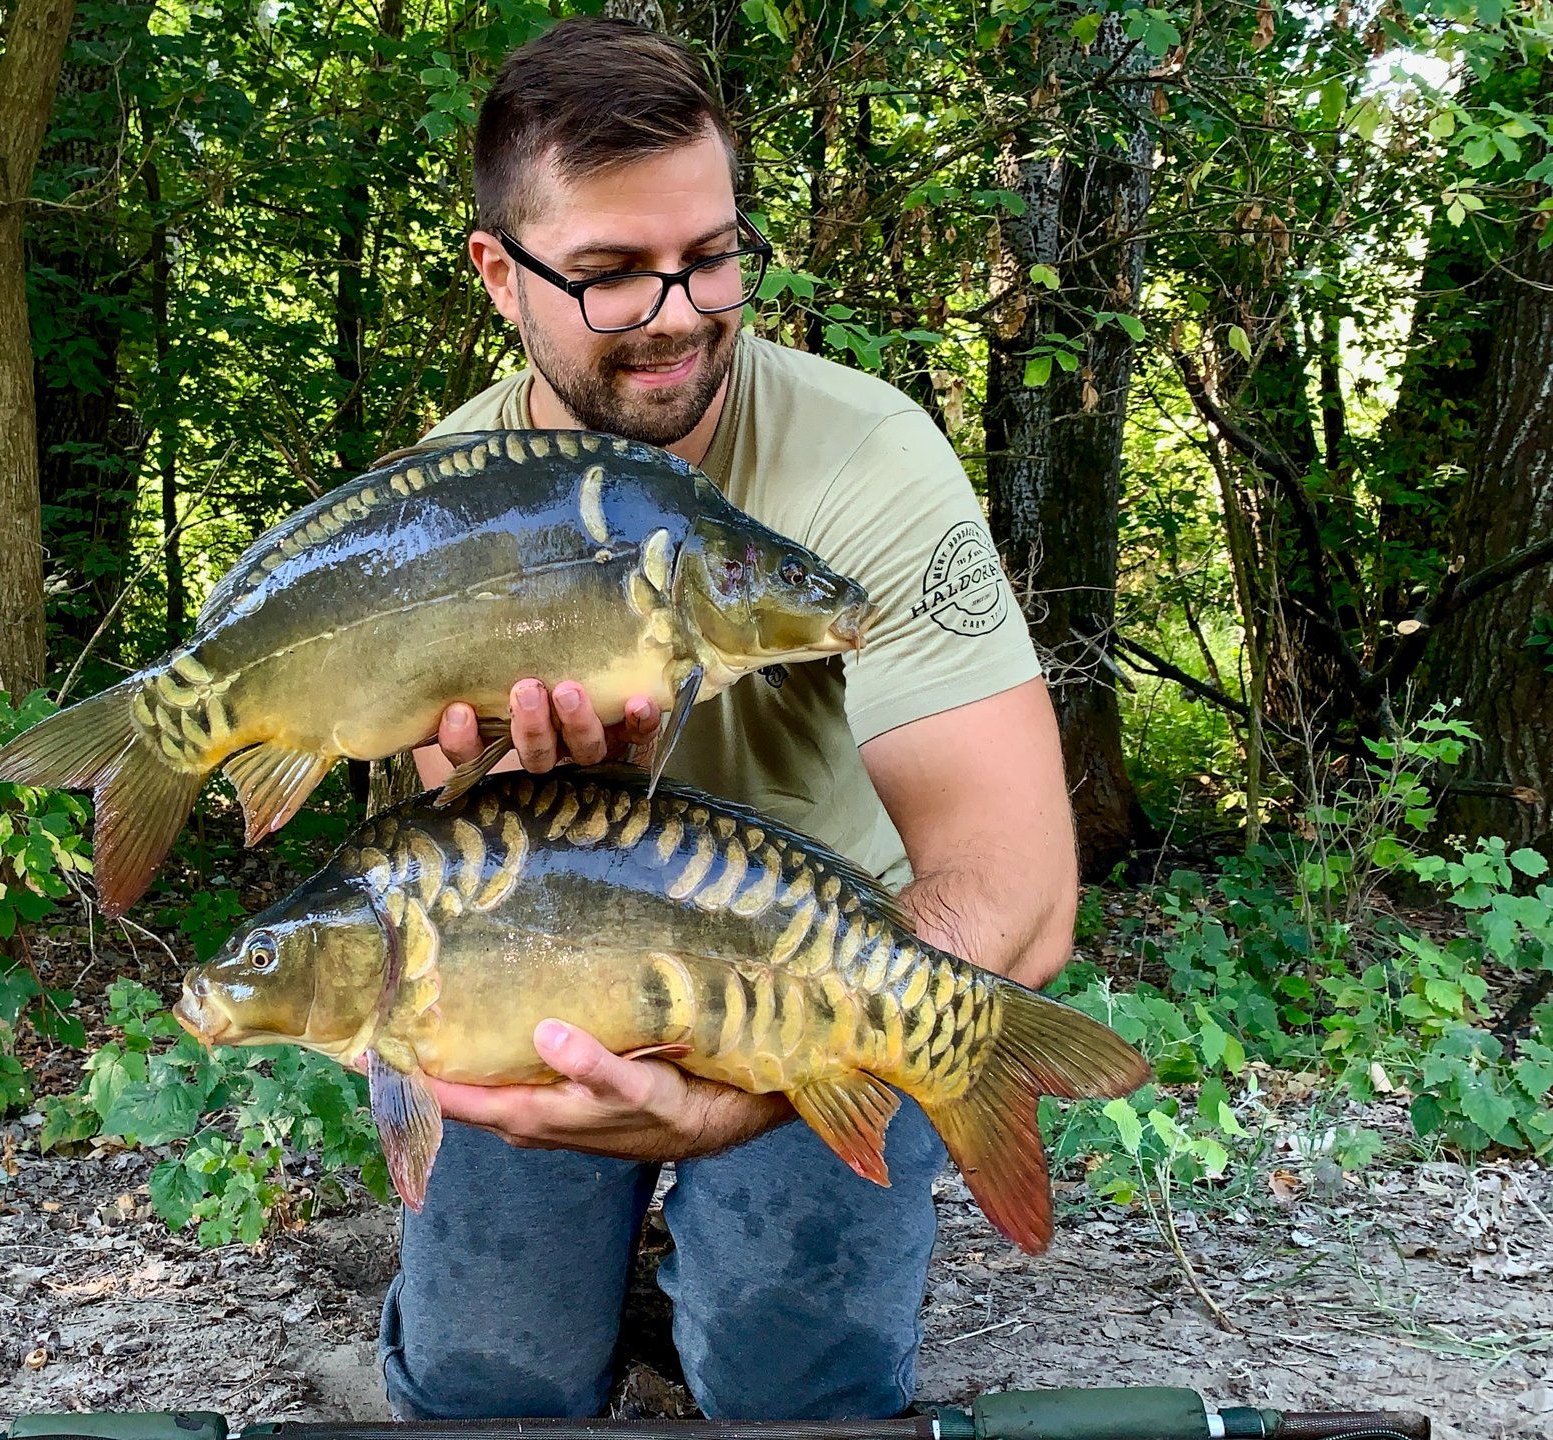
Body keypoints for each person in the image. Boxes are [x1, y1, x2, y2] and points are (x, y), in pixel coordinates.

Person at [379, 15, 1077, 1422]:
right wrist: (496, 783)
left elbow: (1023, 886)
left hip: (814, 969)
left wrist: (772, 1071)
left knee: (792, 1384)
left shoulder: (865, 459)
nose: (681, 309)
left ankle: (726, 1266)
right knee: (485, 1380)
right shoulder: (437, 509)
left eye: (711, 254)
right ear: (499, 277)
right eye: (612, 273)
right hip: (547, 966)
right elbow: (427, 849)